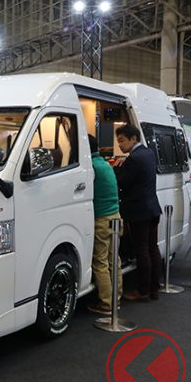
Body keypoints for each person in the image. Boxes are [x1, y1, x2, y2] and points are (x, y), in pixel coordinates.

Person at [113, 124, 162, 302]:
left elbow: (121, 181)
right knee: (152, 248)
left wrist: (116, 168)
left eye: (122, 141)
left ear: (133, 139)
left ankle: (143, 291)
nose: (119, 145)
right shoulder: (148, 153)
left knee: (142, 250)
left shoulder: (134, 158)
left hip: (139, 211)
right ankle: (154, 288)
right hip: (152, 208)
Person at [86, 135, 123, 315]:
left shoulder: (91, 167)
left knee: (100, 262)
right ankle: (116, 298)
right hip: (115, 216)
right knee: (114, 260)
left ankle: (107, 304)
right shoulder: (105, 164)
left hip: (101, 219)